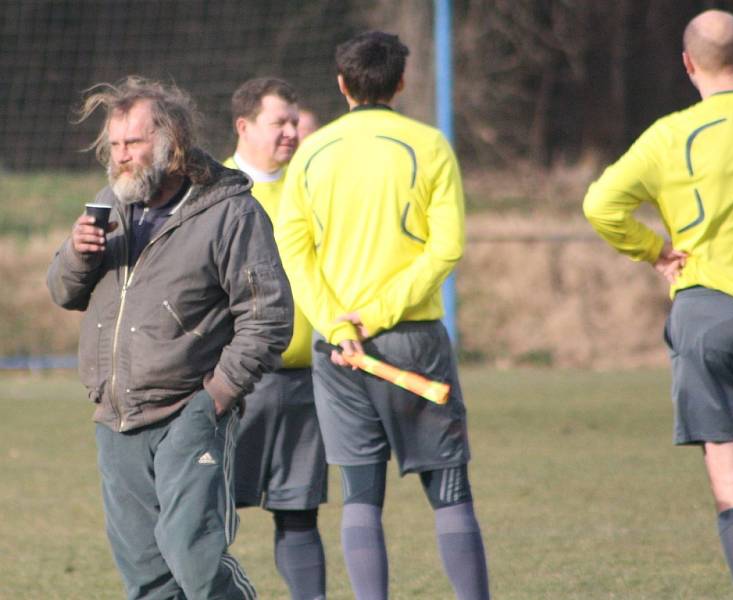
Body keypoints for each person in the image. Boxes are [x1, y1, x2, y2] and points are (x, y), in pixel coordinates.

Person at [47, 76, 294, 600]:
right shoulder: (109, 205)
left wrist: (218, 395)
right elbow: (63, 292)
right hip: (117, 418)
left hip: (191, 410)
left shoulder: (229, 211)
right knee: (147, 577)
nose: (120, 157)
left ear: (170, 141)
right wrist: (76, 252)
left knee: (196, 560)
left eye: (131, 143)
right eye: (114, 146)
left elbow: (268, 315)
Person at [584, 10, 733, 600]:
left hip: (708, 313)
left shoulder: (670, 134)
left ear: (687, 64)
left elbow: (600, 204)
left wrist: (654, 251)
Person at [277, 31, 491, 600]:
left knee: (360, 495)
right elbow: (446, 248)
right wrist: (379, 313)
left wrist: (338, 325)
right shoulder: (430, 145)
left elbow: (293, 254)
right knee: (449, 490)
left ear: (342, 83)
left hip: (340, 353)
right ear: (401, 82)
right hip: (414, 342)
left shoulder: (310, 155)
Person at [224, 77, 327, 600]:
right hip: (232, 384)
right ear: (244, 126)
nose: (291, 132)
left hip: (309, 380)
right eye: (279, 123)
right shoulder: (210, 191)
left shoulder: (312, 185)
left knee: (299, 513)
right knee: (209, 513)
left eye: (294, 122)